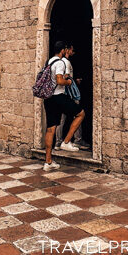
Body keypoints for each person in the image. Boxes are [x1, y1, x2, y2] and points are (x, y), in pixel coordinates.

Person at [43, 41, 85, 171]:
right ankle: (66, 142)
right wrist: (69, 81)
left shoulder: (49, 62)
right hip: (58, 97)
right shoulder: (60, 63)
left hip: (48, 98)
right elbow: (60, 80)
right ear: (62, 50)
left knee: (50, 129)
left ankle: (48, 162)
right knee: (81, 113)